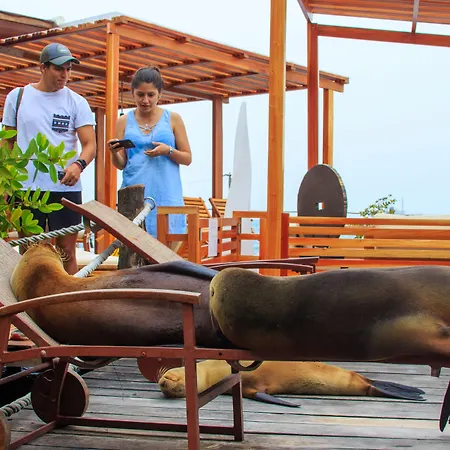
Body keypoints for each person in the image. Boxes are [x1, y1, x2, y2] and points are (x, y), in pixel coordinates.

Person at [2, 43, 96, 274]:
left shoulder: (77, 102)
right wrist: (5, 184)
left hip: (65, 186)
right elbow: (7, 143)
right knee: (31, 251)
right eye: (58, 69)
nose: (64, 75)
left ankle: (69, 297)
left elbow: (90, 145)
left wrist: (79, 165)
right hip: (26, 187)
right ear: (43, 68)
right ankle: (30, 297)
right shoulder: (18, 97)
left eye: (68, 69)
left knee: (67, 251)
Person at [107, 66, 192, 238]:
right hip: (133, 195)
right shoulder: (123, 121)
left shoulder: (173, 119)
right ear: (133, 93)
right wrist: (114, 152)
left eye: (151, 95)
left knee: (168, 246)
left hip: (166, 195)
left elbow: (187, 158)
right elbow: (121, 164)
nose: (145, 100)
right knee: (133, 246)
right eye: (140, 94)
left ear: (159, 94)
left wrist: (168, 150)